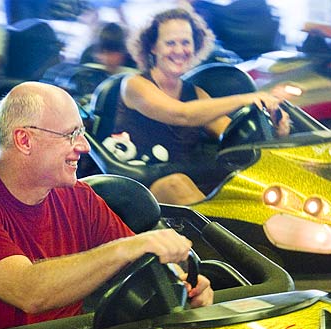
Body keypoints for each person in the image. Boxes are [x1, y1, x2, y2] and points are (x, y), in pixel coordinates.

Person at [0, 81, 213, 329]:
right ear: (24, 140)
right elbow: (29, 291)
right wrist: (132, 246)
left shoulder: (80, 197)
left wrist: (185, 286)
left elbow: (142, 264)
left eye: (81, 133)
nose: (84, 146)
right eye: (71, 135)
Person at [114, 7, 290, 205]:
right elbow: (182, 114)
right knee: (176, 185)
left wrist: (274, 125)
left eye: (186, 42)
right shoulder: (134, 85)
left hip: (186, 180)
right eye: (170, 43)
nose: (180, 50)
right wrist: (246, 98)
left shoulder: (197, 94)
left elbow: (233, 135)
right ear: (153, 47)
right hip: (137, 184)